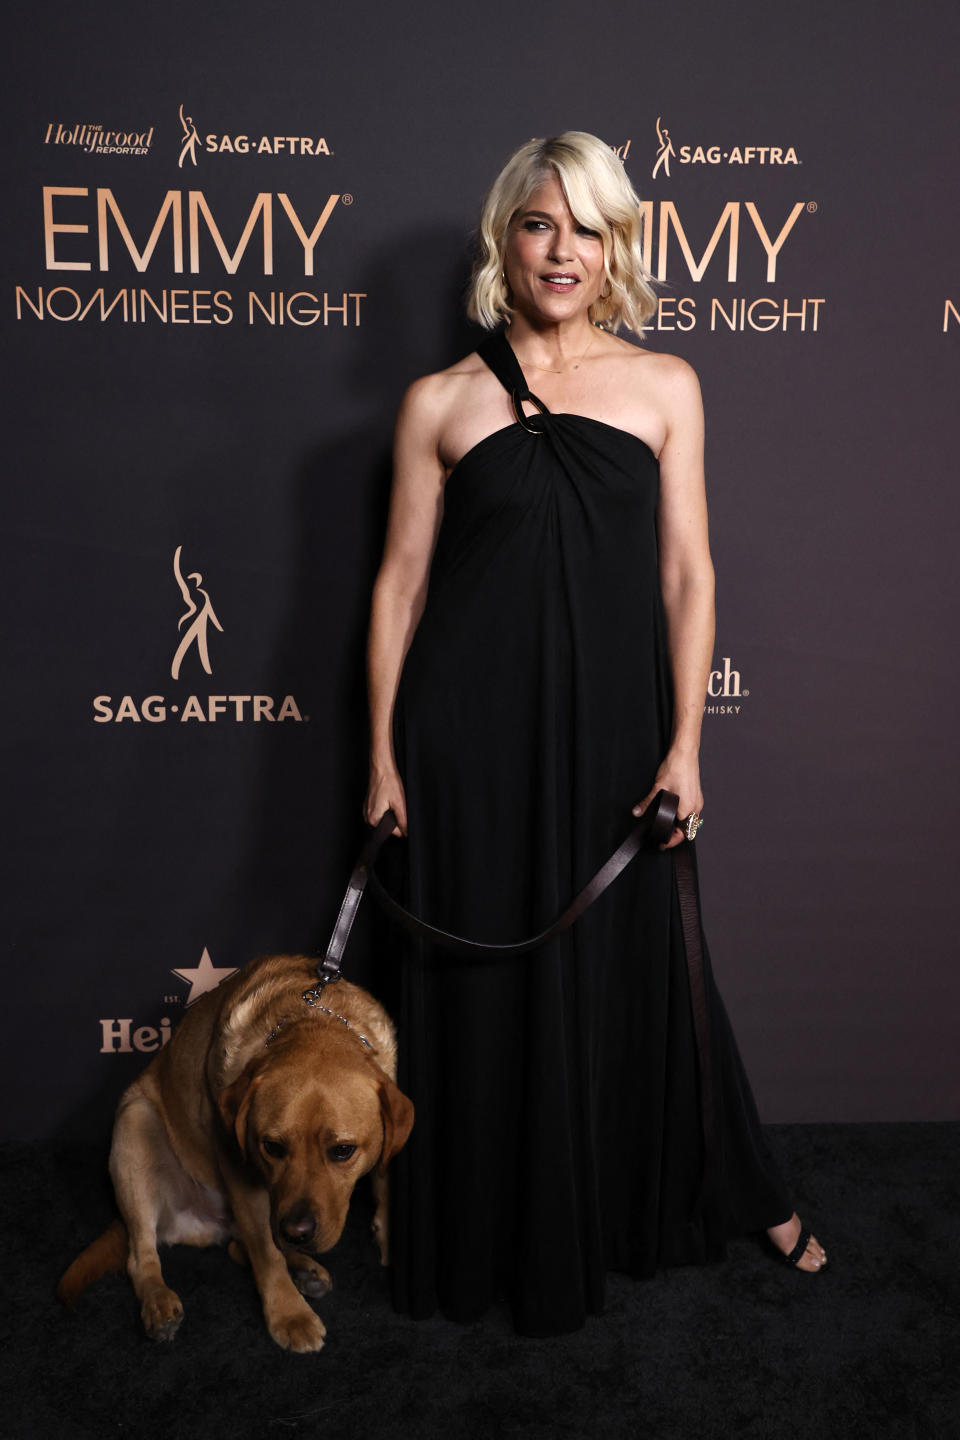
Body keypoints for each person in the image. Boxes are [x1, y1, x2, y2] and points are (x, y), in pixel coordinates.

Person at [364, 131, 826, 1337]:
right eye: (538, 225)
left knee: (639, 971)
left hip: (618, 735)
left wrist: (686, 745)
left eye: (586, 227)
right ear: (504, 243)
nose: (560, 250)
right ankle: (481, 1236)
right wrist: (382, 755)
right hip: (466, 741)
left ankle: (695, 1199)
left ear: (617, 243)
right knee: (481, 981)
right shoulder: (440, 401)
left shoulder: (667, 384)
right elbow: (401, 587)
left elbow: (688, 574)